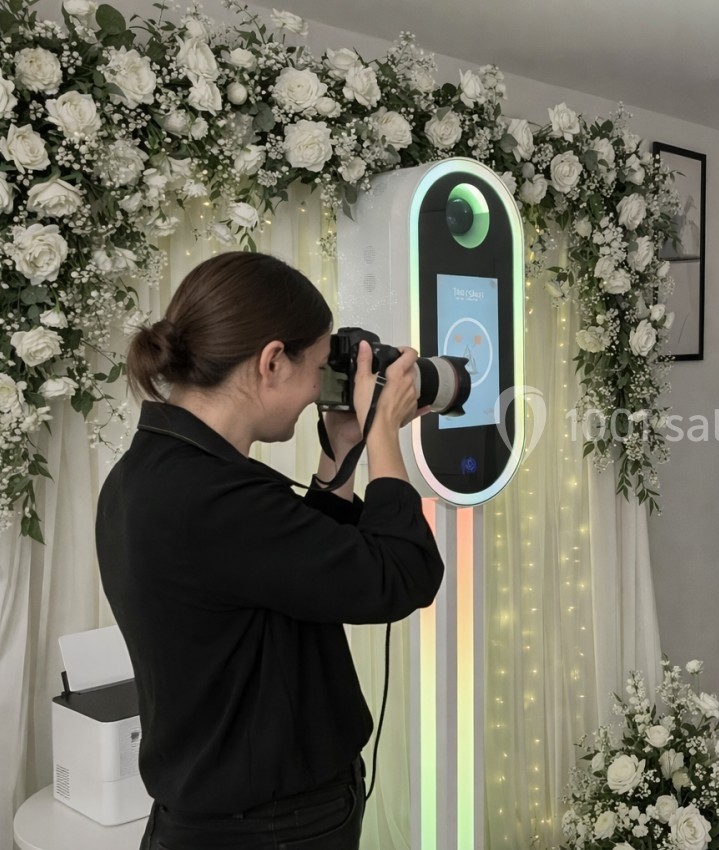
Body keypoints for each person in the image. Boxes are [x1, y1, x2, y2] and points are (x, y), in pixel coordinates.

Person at [96, 252, 445, 850]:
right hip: (271, 828)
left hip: (216, 816)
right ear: (272, 362)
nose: (317, 392)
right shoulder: (214, 499)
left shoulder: (151, 474)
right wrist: (385, 432)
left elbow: (289, 570)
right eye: (315, 368)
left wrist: (340, 455)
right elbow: (403, 574)